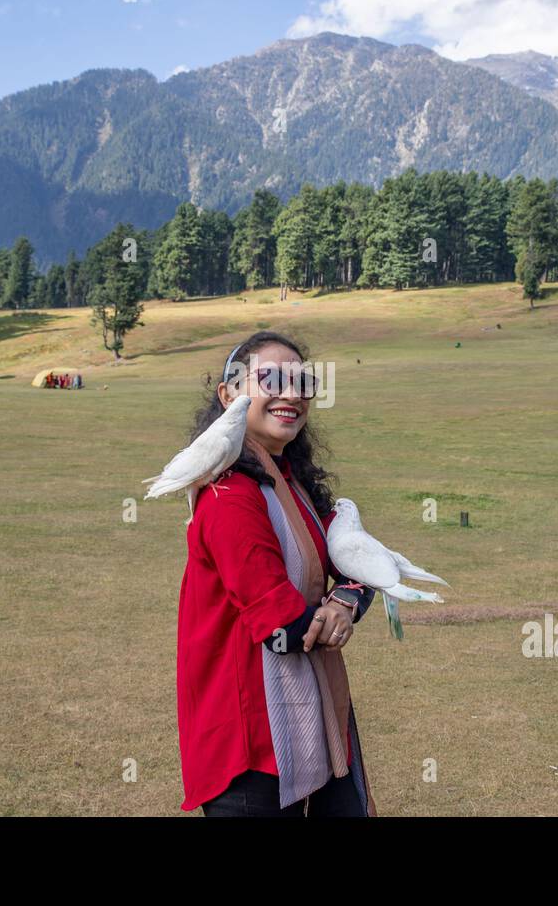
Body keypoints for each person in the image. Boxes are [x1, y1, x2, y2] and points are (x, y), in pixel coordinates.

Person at [178, 331, 377, 817]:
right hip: (249, 735)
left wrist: (346, 601)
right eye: (272, 379)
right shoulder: (230, 495)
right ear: (229, 394)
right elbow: (280, 626)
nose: (292, 394)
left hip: (309, 711)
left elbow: (358, 562)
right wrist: (331, 615)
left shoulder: (293, 482)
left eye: (303, 382)